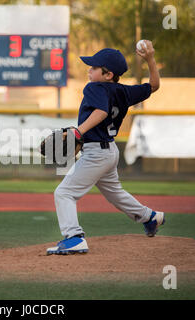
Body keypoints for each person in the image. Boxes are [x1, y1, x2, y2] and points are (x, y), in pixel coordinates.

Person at [47, 41, 165, 255]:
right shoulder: (123, 92)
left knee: (64, 193)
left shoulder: (94, 87)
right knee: (115, 194)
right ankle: (150, 217)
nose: (89, 70)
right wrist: (150, 60)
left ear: (108, 74)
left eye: (93, 68)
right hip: (109, 151)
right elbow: (154, 86)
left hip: (96, 153)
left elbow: (101, 112)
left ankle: (74, 238)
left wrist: (78, 131)